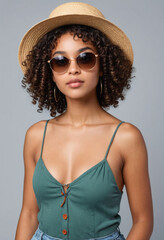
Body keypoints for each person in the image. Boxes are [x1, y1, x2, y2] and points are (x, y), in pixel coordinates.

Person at [15, 2, 153, 240]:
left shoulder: (126, 138)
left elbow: (143, 221)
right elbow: (29, 213)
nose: (73, 70)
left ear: (102, 66)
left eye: (85, 58)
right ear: (50, 72)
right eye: (60, 61)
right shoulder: (36, 136)